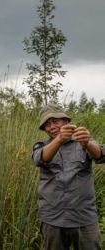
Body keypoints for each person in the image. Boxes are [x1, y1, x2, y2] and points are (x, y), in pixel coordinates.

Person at [32, 103, 105, 250]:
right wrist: (59, 140)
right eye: (47, 124)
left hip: (83, 217)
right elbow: (39, 158)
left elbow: (101, 155)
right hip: (53, 219)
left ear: (66, 121)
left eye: (55, 121)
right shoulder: (41, 146)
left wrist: (87, 143)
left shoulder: (83, 140)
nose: (51, 126)